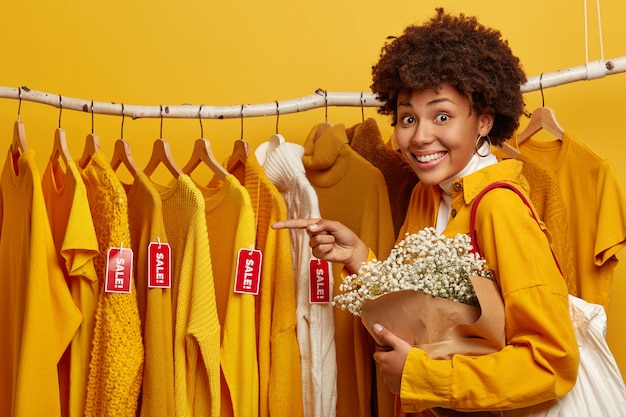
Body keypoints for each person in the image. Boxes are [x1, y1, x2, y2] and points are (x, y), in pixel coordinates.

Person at [273, 8, 579, 414]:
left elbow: (552, 362)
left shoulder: (500, 209)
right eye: (407, 118)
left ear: (484, 121)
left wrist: (421, 378)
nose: (419, 136)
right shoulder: (426, 194)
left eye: (442, 116)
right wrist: (358, 258)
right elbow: (418, 307)